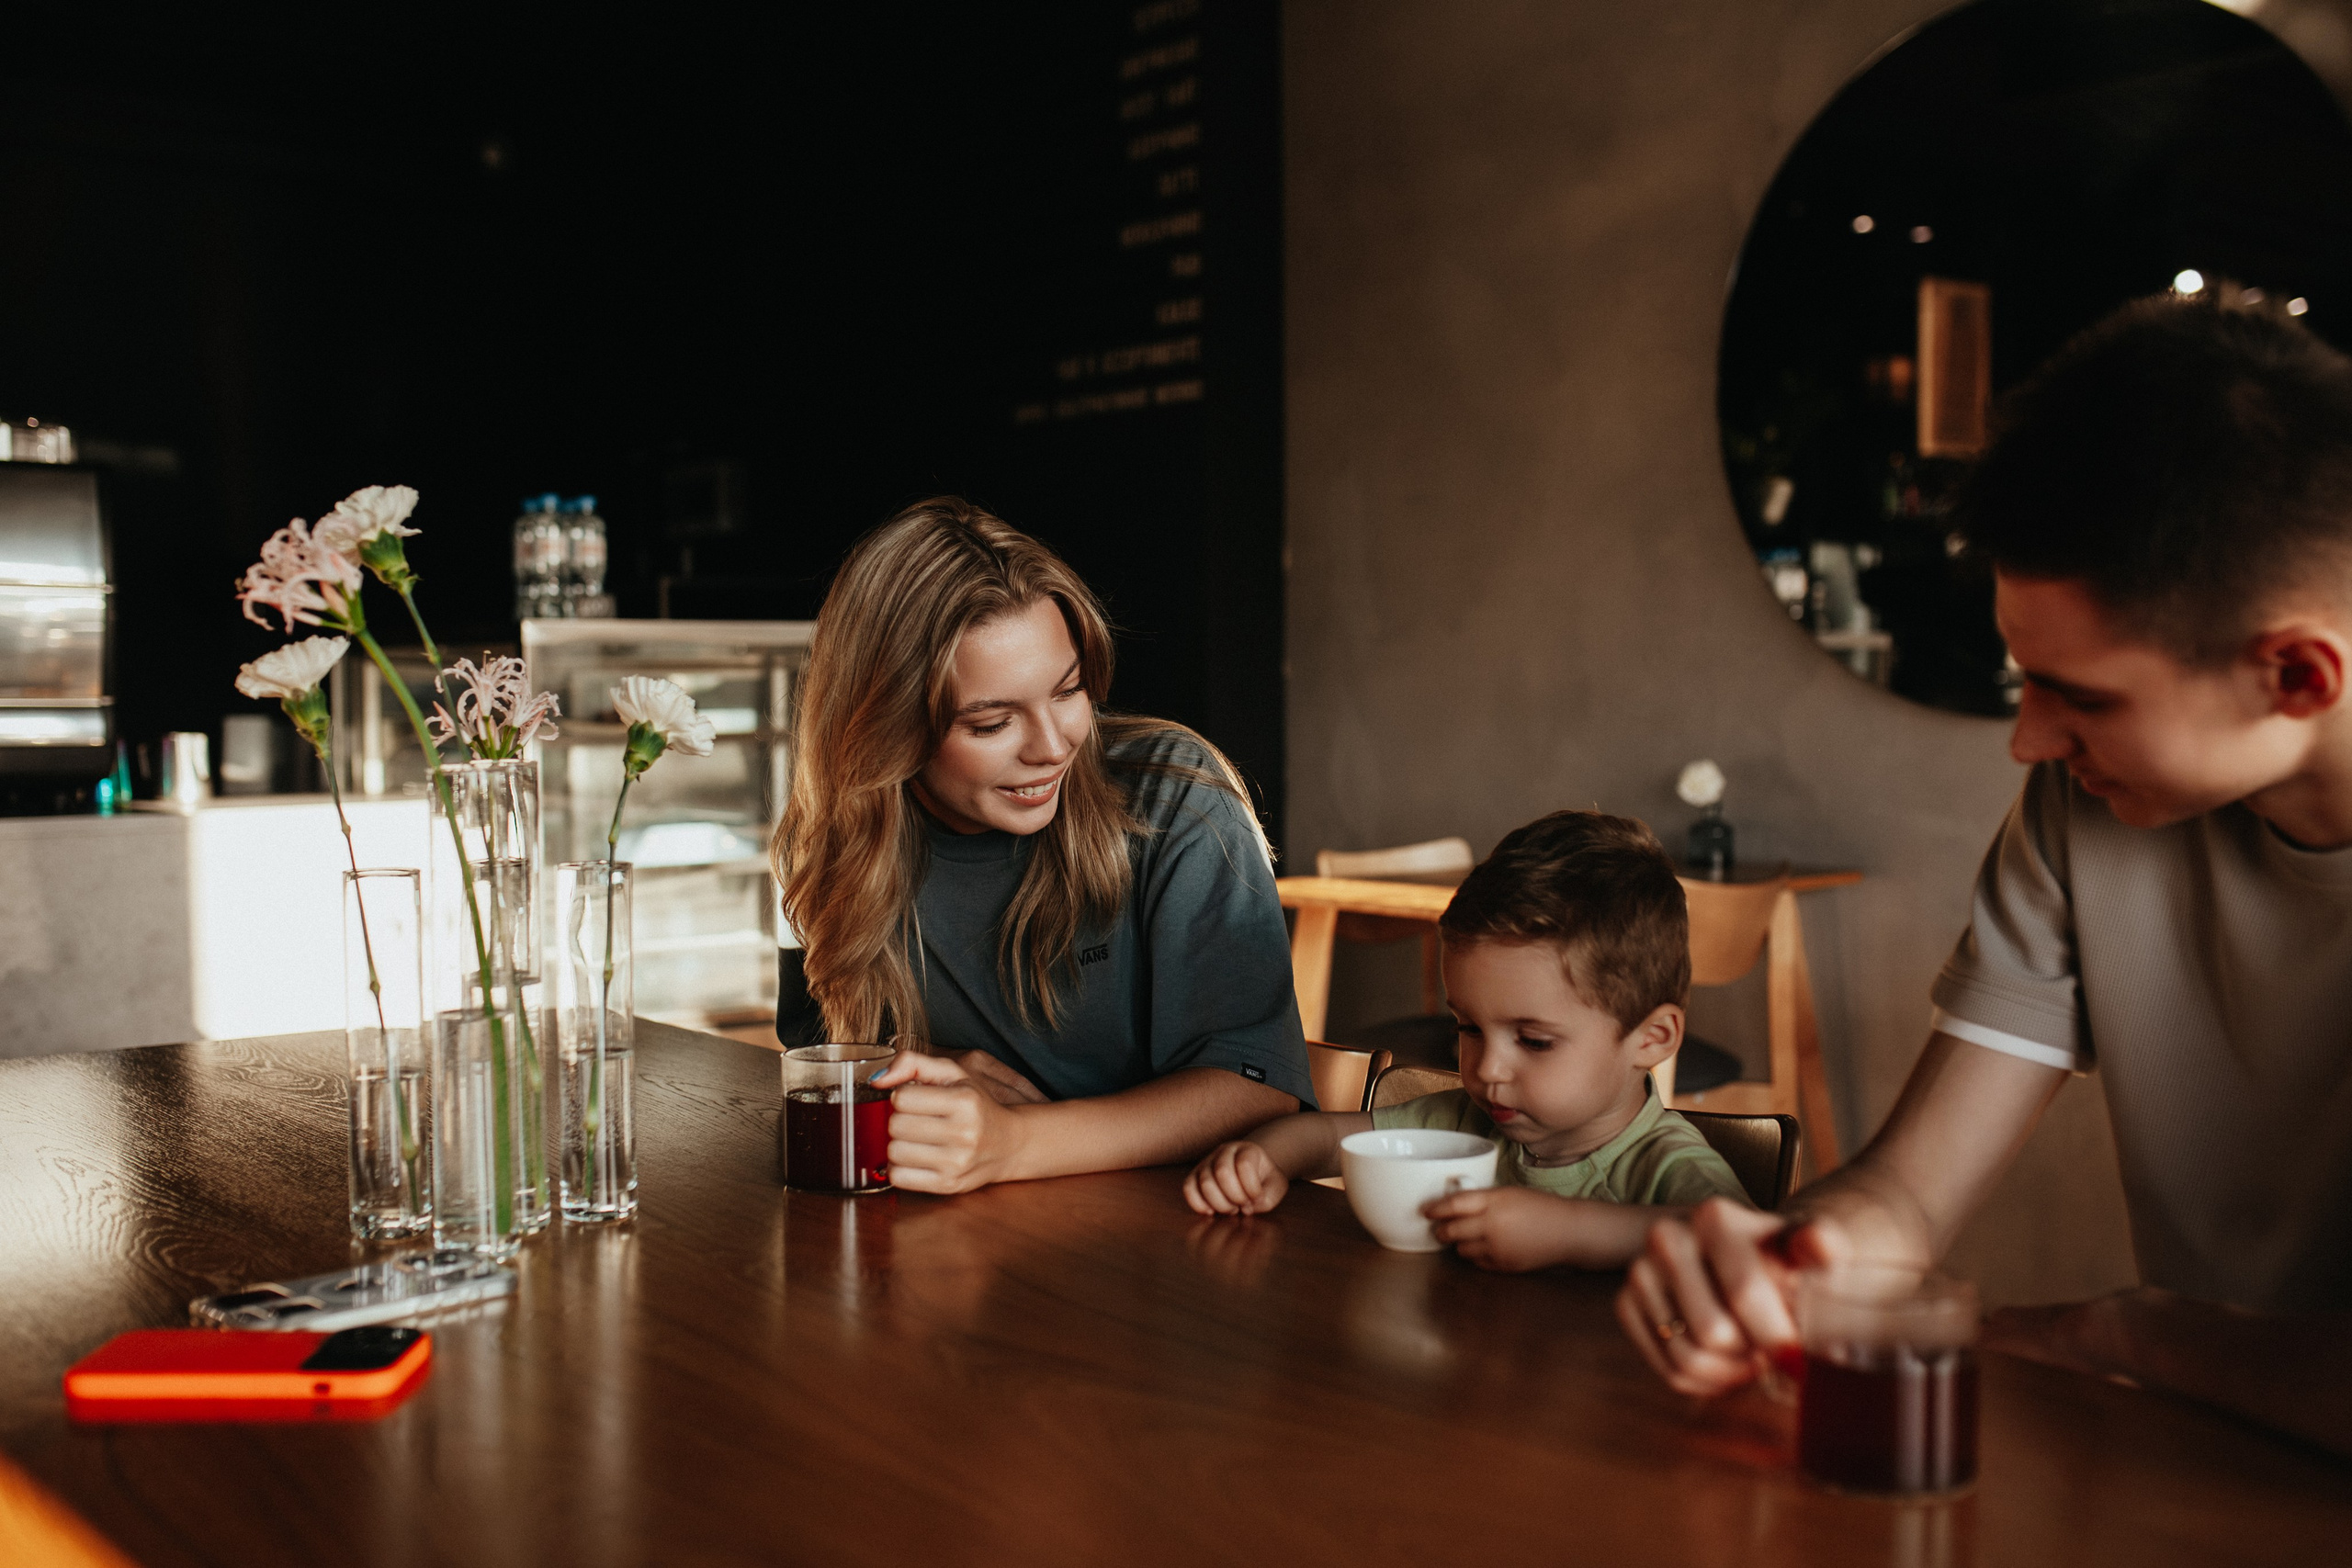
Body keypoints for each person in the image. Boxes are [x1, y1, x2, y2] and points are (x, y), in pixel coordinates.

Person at [1617, 297, 2352, 1458]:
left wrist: (2130, 1338)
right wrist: (1790, 1264)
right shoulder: (2084, 807)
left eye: (2086, 697)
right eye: (2026, 682)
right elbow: (1906, 1196)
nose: (2029, 743)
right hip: (2201, 1466)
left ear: (2298, 675)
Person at [771, 498, 1313, 1194]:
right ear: (887, 729)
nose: (1054, 747)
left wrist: (1015, 1144)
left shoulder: (1178, 798)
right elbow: (815, 1045)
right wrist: (927, 1060)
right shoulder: (830, 842)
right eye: (993, 722)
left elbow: (1255, 1087)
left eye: (1070, 690)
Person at [1186, 811, 1748, 1269]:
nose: (1488, 1069)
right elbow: (1331, 1138)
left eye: (1534, 1041)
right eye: (1470, 1028)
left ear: (1652, 1039)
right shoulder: (1464, 1125)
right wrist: (1265, 1158)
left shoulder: (1666, 1167)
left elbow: (1743, 1245)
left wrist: (1569, 1232)